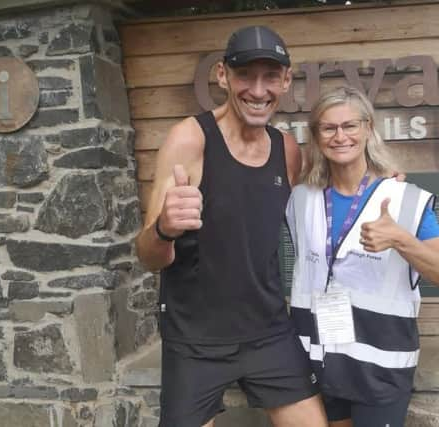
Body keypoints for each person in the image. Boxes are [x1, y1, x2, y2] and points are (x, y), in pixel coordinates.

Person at [135, 25, 327, 427]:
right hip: (196, 339)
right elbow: (147, 256)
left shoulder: (287, 150)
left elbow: (332, 190)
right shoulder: (190, 139)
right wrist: (165, 228)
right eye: (245, 75)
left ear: (286, 81)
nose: (258, 91)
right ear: (222, 75)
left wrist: (382, 183)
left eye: (270, 76)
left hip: (269, 330)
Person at [286, 86, 439, 427]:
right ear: (317, 136)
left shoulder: (404, 199)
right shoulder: (300, 197)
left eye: (350, 125)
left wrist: (401, 240)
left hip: (379, 363)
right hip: (319, 353)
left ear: (368, 128)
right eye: (329, 127)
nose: (340, 136)